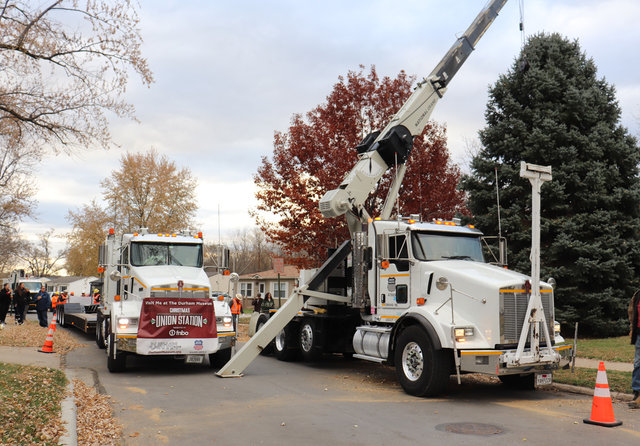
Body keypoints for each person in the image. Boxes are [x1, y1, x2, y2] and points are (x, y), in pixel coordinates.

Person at [629, 290, 640, 408]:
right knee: (638, 363)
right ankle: (637, 392)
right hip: (639, 334)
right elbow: (631, 312)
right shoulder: (637, 294)